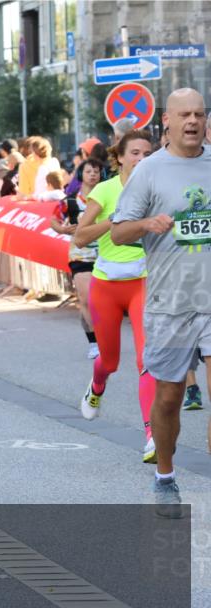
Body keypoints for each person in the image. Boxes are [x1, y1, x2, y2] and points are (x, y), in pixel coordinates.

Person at [109, 88, 211, 517]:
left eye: (199, 114)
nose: (192, 121)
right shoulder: (148, 171)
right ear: (166, 121)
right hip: (170, 304)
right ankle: (165, 473)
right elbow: (117, 233)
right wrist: (147, 223)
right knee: (169, 398)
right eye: (184, 114)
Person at [73, 130, 155, 462]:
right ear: (120, 157)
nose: (142, 159)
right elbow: (80, 237)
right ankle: (96, 388)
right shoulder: (106, 190)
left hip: (143, 282)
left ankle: (152, 435)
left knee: (146, 359)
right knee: (109, 361)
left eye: (148, 153)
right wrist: (113, 221)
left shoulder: (155, 188)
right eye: (135, 152)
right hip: (106, 285)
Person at [51, 158, 104, 359]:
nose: (93, 175)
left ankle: (106, 336)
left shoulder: (105, 197)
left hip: (105, 254)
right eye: (89, 171)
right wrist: (63, 229)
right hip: (80, 254)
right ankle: (94, 343)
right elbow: (53, 220)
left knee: (102, 302)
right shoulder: (70, 201)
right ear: (81, 175)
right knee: (85, 299)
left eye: (96, 171)